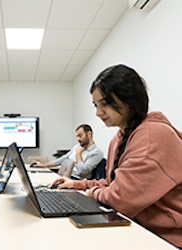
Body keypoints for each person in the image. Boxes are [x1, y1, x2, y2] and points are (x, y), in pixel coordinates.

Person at [51, 64, 182, 248]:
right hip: (138, 228)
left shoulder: (151, 136)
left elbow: (119, 200)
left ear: (129, 99)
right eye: (96, 105)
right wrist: (77, 185)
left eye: (105, 104)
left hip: (166, 239)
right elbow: (111, 184)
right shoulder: (118, 139)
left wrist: (90, 192)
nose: (98, 113)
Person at [33, 124, 104, 179]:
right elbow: (64, 159)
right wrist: (43, 165)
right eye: (77, 136)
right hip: (66, 176)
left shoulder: (96, 153)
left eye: (80, 136)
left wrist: (78, 155)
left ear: (89, 134)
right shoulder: (77, 146)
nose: (78, 139)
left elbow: (83, 172)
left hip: (76, 179)